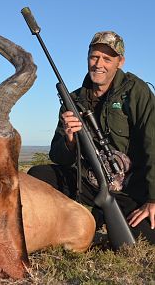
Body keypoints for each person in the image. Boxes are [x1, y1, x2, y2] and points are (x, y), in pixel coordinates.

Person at [28, 31, 155, 244]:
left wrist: (153, 199)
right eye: (94, 57)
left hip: (131, 187)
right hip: (87, 182)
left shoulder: (136, 91)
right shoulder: (73, 100)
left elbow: (153, 143)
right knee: (37, 175)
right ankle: (63, 222)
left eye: (107, 59)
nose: (99, 64)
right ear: (88, 57)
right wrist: (70, 140)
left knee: (147, 233)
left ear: (120, 62)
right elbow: (59, 157)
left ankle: (100, 217)